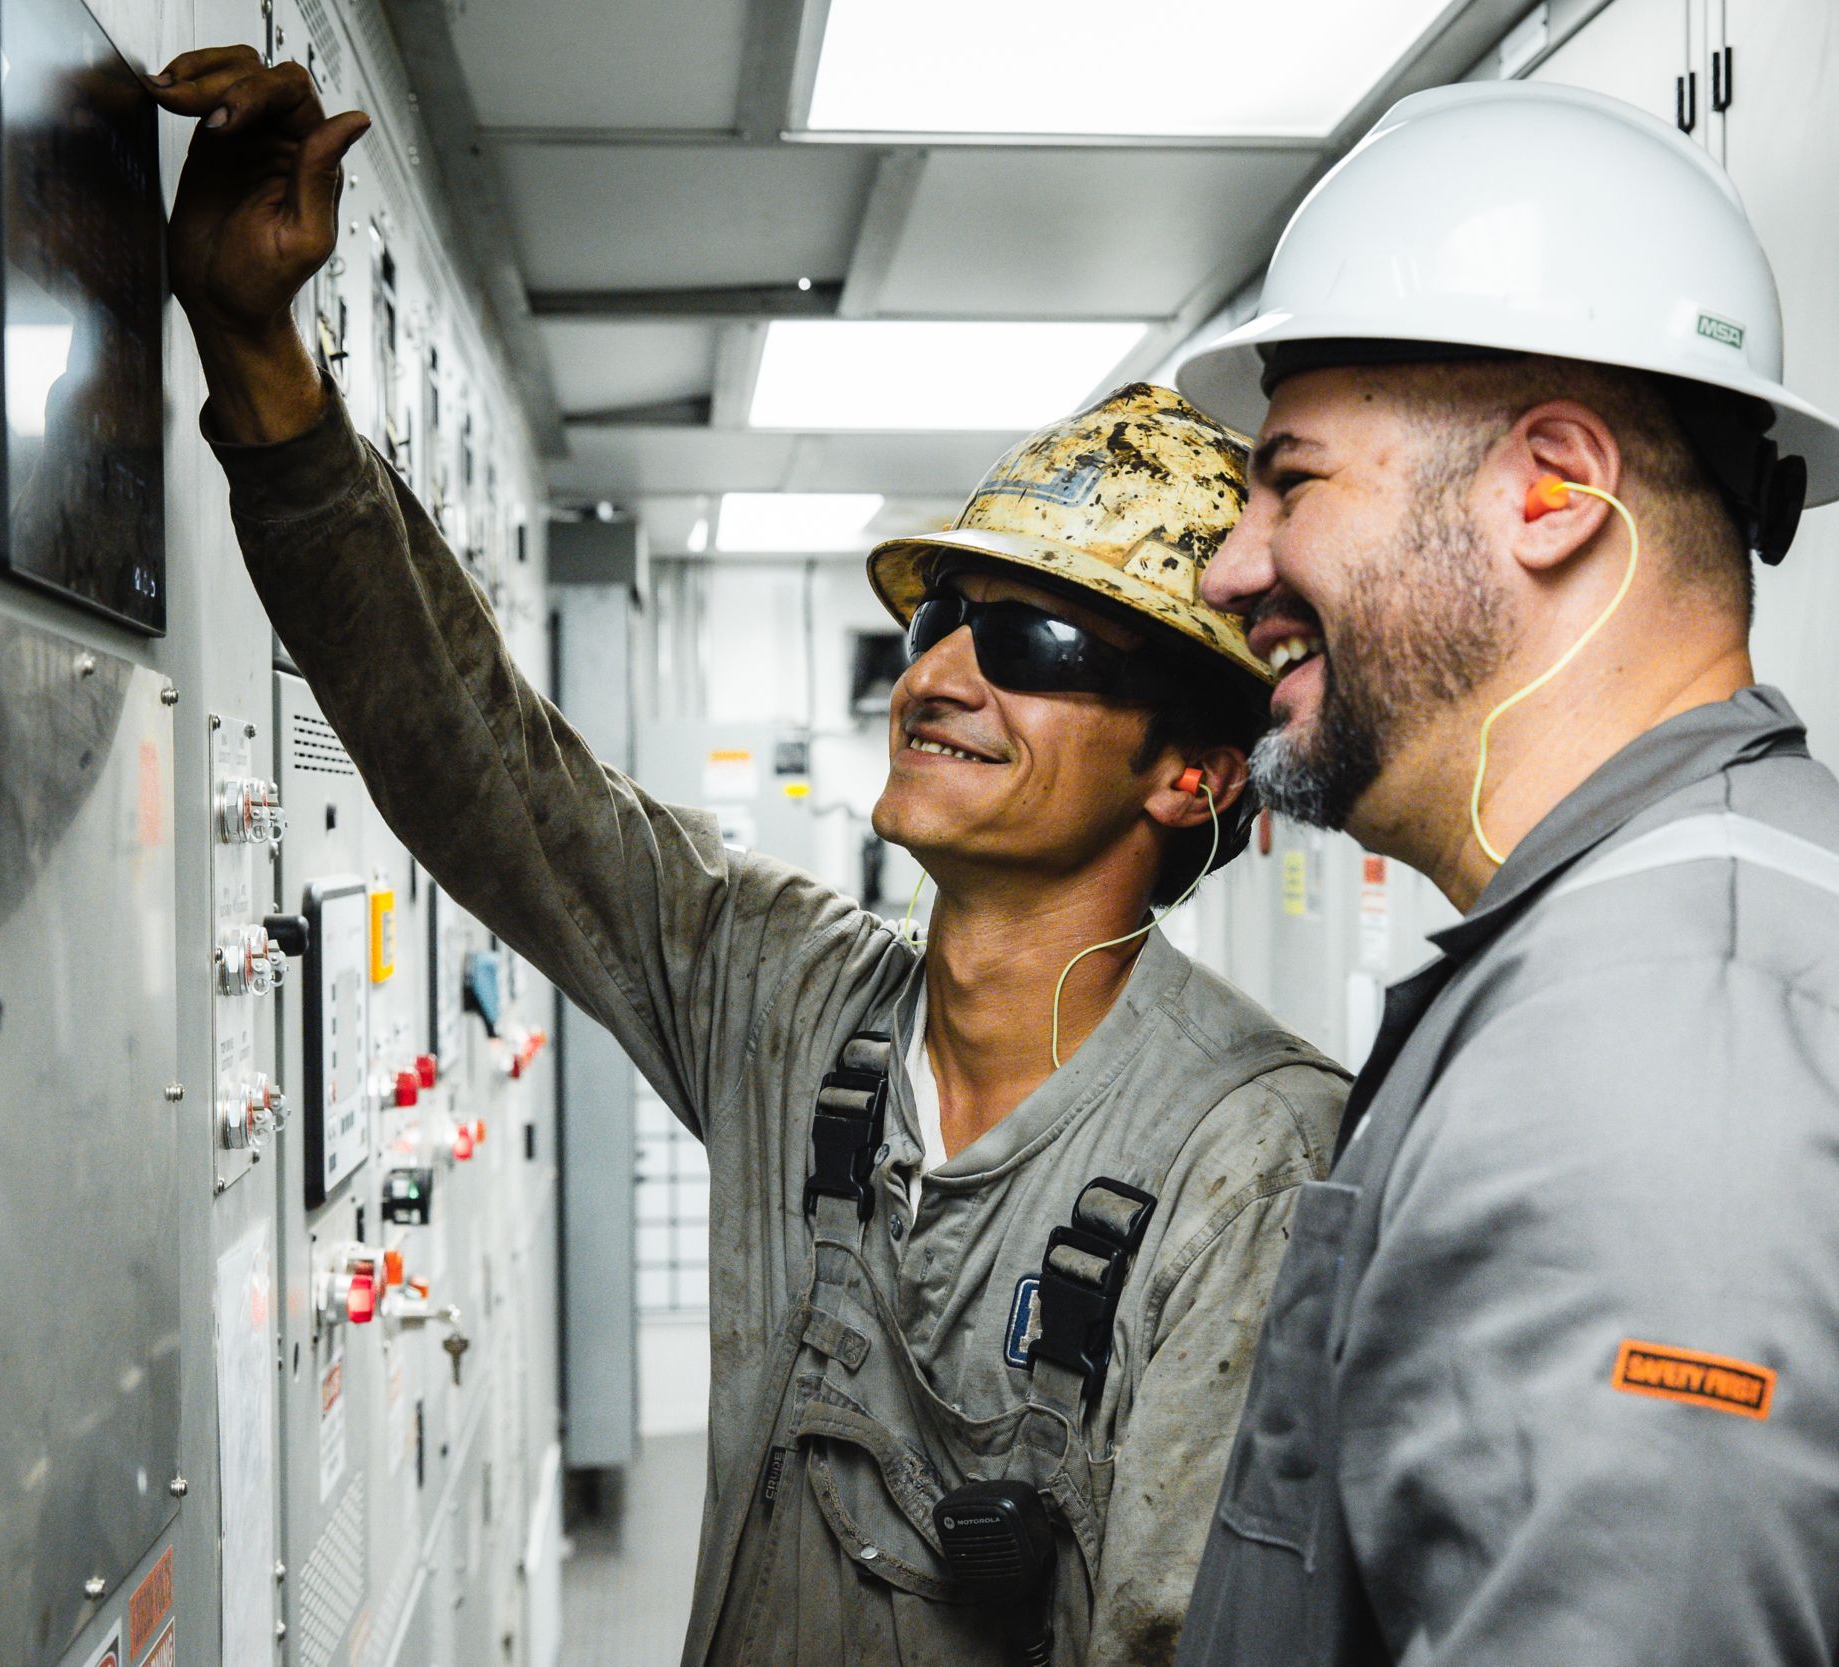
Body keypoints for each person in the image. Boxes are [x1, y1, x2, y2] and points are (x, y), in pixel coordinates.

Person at [149, 44, 1350, 1667]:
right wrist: (258, 361)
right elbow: (491, 772)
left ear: (1197, 771)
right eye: (936, 621)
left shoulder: (1251, 1160)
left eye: (1035, 640)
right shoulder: (789, 999)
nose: (934, 675)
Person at [1168, 82, 1839, 1667]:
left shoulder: (1666, 1036)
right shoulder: (1665, 944)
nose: (1229, 565)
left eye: (1291, 480)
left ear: (1554, 492)